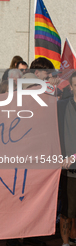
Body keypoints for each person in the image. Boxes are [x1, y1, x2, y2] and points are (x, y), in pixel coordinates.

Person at [58, 72, 76, 246]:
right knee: (68, 210)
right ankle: (65, 243)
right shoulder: (61, 106)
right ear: (71, 87)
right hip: (69, 170)